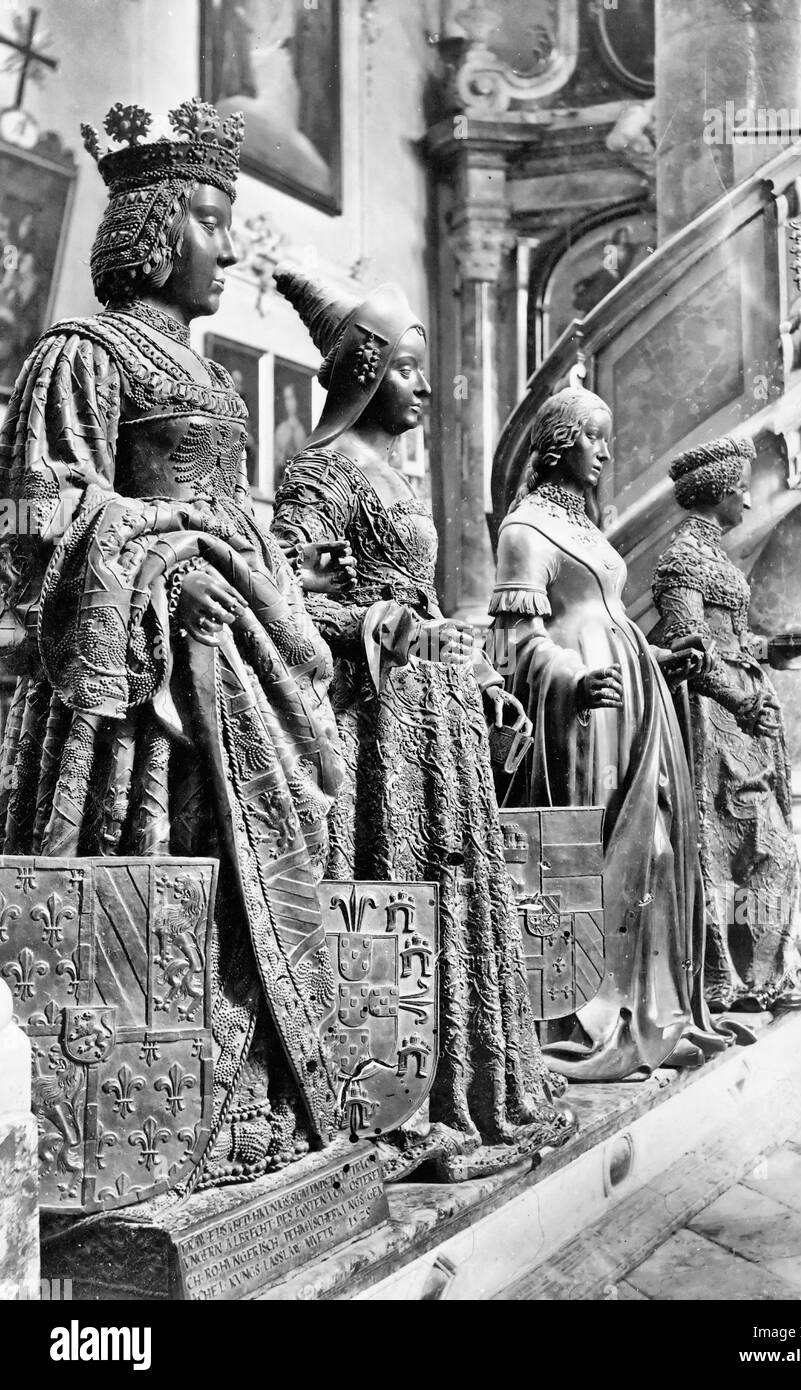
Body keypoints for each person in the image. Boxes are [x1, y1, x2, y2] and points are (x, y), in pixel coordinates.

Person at [0, 99, 346, 1196]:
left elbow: (235, 509)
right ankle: (119, 1123)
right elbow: (38, 522)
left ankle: (242, 1095)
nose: (231, 248)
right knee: (145, 880)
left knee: (280, 839)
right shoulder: (81, 353)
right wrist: (167, 558)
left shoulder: (208, 373)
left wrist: (241, 572)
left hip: (239, 646)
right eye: (210, 218)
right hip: (136, 689)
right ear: (153, 225)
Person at [270, 266, 575, 1180]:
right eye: (407, 367)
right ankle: (390, 1099)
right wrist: (369, 624)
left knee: (454, 889)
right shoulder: (318, 474)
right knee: (390, 890)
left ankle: (463, 1084)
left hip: (437, 716)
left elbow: (424, 601)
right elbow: (283, 599)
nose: (427, 386)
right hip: (376, 729)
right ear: (365, 369)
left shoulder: (396, 478)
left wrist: (473, 668)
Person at [490, 386, 736, 1081]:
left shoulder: (588, 529)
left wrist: (659, 658)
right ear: (562, 441)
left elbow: (607, 618)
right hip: (581, 713)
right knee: (595, 855)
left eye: (606, 438)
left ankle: (652, 1015)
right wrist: (568, 681)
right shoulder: (526, 530)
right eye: (594, 438)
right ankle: (585, 1017)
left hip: (632, 699)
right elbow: (514, 639)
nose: (605, 452)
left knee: (654, 851)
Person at [650, 436, 801, 1012]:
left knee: (764, 846)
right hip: (713, 720)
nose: (748, 500)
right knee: (743, 846)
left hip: (743, 716)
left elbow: (726, 639)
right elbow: (687, 650)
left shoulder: (715, 557)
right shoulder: (681, 561)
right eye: (742, 488)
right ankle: (733, 976)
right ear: (721, 490)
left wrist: (774, 647)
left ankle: (761, 972)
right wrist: (744, 701)